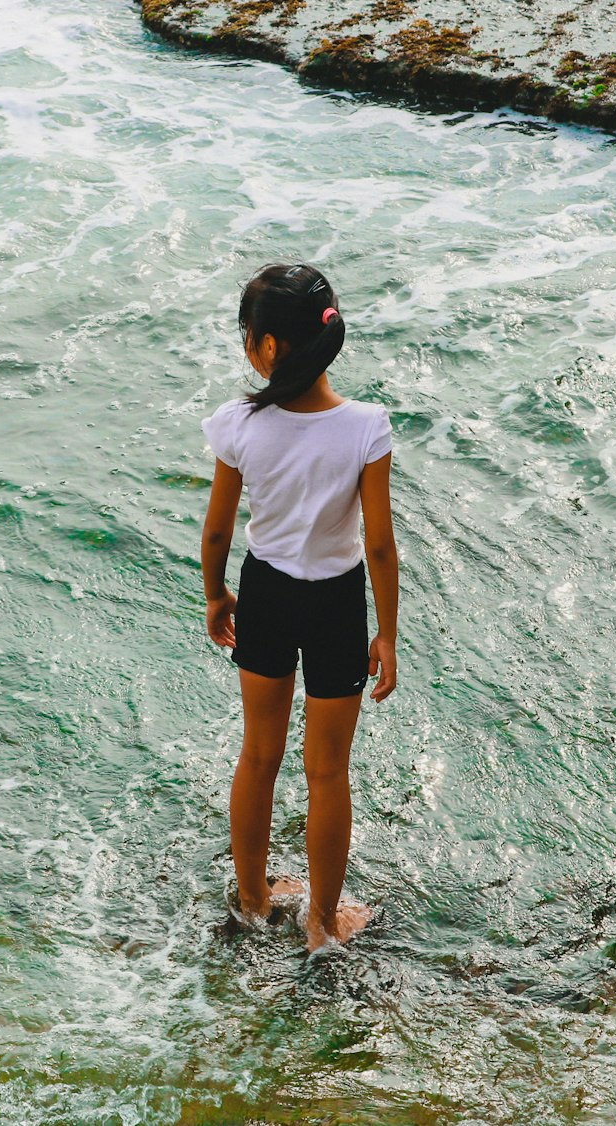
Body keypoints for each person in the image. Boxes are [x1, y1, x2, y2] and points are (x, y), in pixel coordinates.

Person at [200, 262, 399, 953]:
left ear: (269, 349)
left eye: (246, 333)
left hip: (266, 591)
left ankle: (254, 900)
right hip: (337, 604)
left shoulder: (239, 424)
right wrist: (389, 635)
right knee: (328, 773)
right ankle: (321, 923)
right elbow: (378, 545)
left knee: (259, 755)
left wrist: (216, 594)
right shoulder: (366, 428)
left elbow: (220, 528)